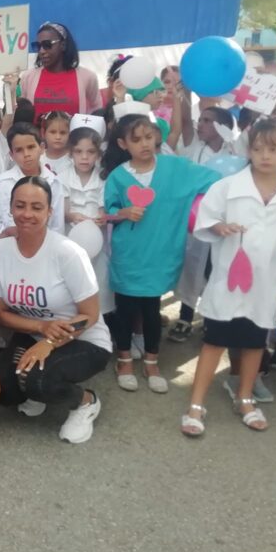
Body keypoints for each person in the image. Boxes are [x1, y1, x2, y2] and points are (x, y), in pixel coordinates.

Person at [181, 118, 276, 436]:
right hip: (228, 281)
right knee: (214, 341)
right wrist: (218, 227)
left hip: (265, 286)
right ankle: (196, 404)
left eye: (273, 149)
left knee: (255, 345)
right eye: (257, 148)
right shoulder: (228, 187)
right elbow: (205, 217)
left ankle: (245, 396)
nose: (265, 155)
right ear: (248, 150)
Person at [0, 177, 111, 443]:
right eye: (20, 206)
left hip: (85, 339)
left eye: (37, 207)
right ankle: (34, 389)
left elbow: (89, 314)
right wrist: (41, 329)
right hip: (34, 333)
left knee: (39, 380)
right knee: (2, 390)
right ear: (10, 208)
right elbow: (0, 312)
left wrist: (50, 342)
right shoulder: (0, 251)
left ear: (50, 212)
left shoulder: (68, 252)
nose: (27, 214)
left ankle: (86, 403)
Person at [103, 113, 218, 393]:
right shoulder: (118, 177)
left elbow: (216, 180)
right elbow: (107, 213)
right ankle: (125, 358)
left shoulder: (176, 168)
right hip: (129, 255)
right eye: (136, 139)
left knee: (152, 310)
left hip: (161, 255)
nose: (145, 144)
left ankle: (152, 361)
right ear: (122, 143)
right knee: (126, 310)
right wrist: (123, 212)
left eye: (148, 137)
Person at [168, 106, 243, 343]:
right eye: (200, 119)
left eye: (207, 120)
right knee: (191, 267)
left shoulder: (235, 152)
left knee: (216, 269)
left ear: (222, 127)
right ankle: (185, 316)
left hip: (225, 220)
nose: (200, 124)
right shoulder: (193, 149)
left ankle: (212, 320)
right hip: (195, 217)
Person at [61, 119, 113, 316]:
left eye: (90, 152)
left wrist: (100, 218)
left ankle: (99, 318)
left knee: (98, 279)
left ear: (98, 154)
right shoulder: (63, 176)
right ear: (70, 153)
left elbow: (102, 208)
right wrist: (71, 215)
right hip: (71, 235)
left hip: (97, 239)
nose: (84, 157)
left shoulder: (103, 177)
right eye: (79, 152)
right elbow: (64, 210)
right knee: (73, 279)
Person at [0, 123, 64, 243]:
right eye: (19, 150)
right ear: (11, 155)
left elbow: (57, 228)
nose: (26, 154)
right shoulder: (1, 184)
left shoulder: (54, 183)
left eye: (31, 147)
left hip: (44, 249)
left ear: (42, 148)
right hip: (8, 248)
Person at [18, 22, 102, 120]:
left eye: (47, 45)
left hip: (74, 135)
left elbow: (96, 110)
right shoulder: (28, 77)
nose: (41, 51)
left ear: (63, 45)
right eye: (38, 46)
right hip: (36, 135)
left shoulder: (87, 77)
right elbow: (22, 111)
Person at [39, 110, 72, 176]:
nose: (58, 137)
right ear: (43, 133)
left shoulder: (73, 160)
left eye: (63, 133)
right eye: (53, 132)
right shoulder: (38, 159)